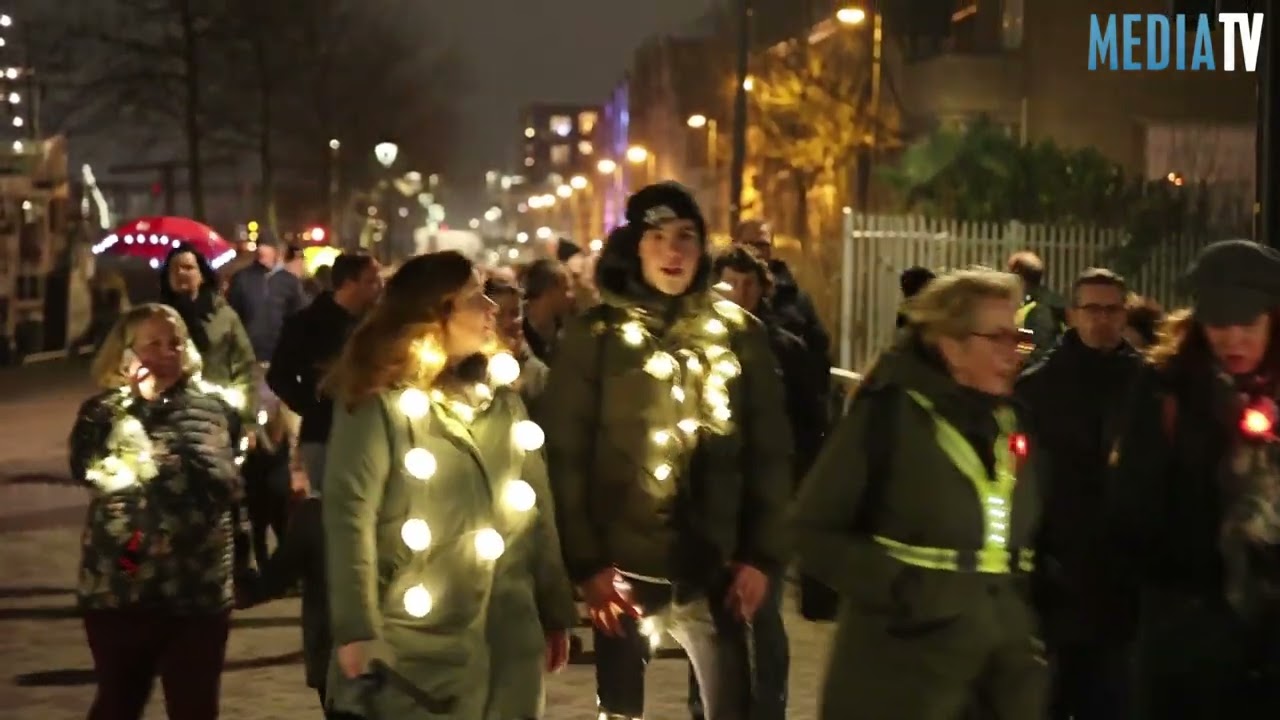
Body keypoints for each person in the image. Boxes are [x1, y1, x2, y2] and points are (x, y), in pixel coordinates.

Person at [543, 183, 793, 720]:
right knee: (622, 711)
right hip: (622, 571)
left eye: (686, 237)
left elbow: (770, 453)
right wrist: (586, 565)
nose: (673, 251)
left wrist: (760, 555)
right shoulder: (597, 338)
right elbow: (565, 456)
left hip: (714, 566)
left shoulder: (739, 336)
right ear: (636, 246)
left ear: (704, 249)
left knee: (733, 706)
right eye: (657, 237)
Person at [320, 251, 579, 719]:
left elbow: (536, 510)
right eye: (473, 297)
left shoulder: (503, 403)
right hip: (420, 646)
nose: (491, 307)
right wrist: (356, 628)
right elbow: (348, 514)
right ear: (435, 313)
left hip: (509, 641)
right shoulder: (378, 404)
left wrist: (554, 606)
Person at [792, 267, 1047, 720]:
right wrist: (905, 589)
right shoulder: (889, 416)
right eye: (999, 339)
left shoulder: (1013, 421)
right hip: (902, 675)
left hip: (997, 675)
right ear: (951, 346)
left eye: (1019, 338)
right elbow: (812, 530)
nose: (1015, 354)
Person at [1112, 239, 1280, 718]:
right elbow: (1132, 507)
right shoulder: (1166, 387)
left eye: (1247, 324)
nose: (1232, 340)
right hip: (1190, 630)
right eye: (1217, 325)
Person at [69, 303, 243, 720]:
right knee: (118, 703)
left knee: (196, 708)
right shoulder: (102, 411)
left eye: (175, 342)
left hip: (197, 588)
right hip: (123, 581)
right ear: (127, 352)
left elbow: (224, 485)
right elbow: (85, 465)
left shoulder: (215, 409)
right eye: (152, 344)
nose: (166, 352)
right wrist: (139, 406)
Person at [1016, 268, 1143, 720]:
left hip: (1122, 579)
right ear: (1072, 314)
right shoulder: (1038, 387)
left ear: (1125, 315)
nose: (1102, 319)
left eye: (1111, 309)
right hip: (1058, 574)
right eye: (1092, 309)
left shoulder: (1146, 385)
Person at [268, 253, 382, 495]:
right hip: (323, 435)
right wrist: (312, 404)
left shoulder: (375, 326)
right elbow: (279, 374)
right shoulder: (307, 324)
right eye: (371, 281)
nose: (379, 287)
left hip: (370, 432)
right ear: (350, 283)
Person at [159, 244, 257, 427]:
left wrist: (248, 420)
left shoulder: (224, 316)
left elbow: (245, 369)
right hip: (168, 416)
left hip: (217, 413)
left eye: (188, 267)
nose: (181, 272)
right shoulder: (156, 318)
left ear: (202, 275)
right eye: (175, 268)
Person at [226, 242, 307, 363]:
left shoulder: (289, 281)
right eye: (260, 246)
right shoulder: (242, 278)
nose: (262, 250)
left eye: (267, 246)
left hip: (280, 356)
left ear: (277, 251)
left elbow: (298, 317)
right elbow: (232, 315)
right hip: (248, 354)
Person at [485, 276, 550, 414]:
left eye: (515, 313)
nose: (510, 322)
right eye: (499, 315)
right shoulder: (474, 368)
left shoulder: (538, 373)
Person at [1008, 251, 1067, 364]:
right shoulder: (1032, 302)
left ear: (1016, 275)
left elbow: (1037, 349)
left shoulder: (1038, 307)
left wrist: (1017, 364)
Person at [520, 258, 574, 364]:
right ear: (550, 290)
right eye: (566, 289)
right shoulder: (519, 332)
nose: (571, 296)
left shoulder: (565, 331)